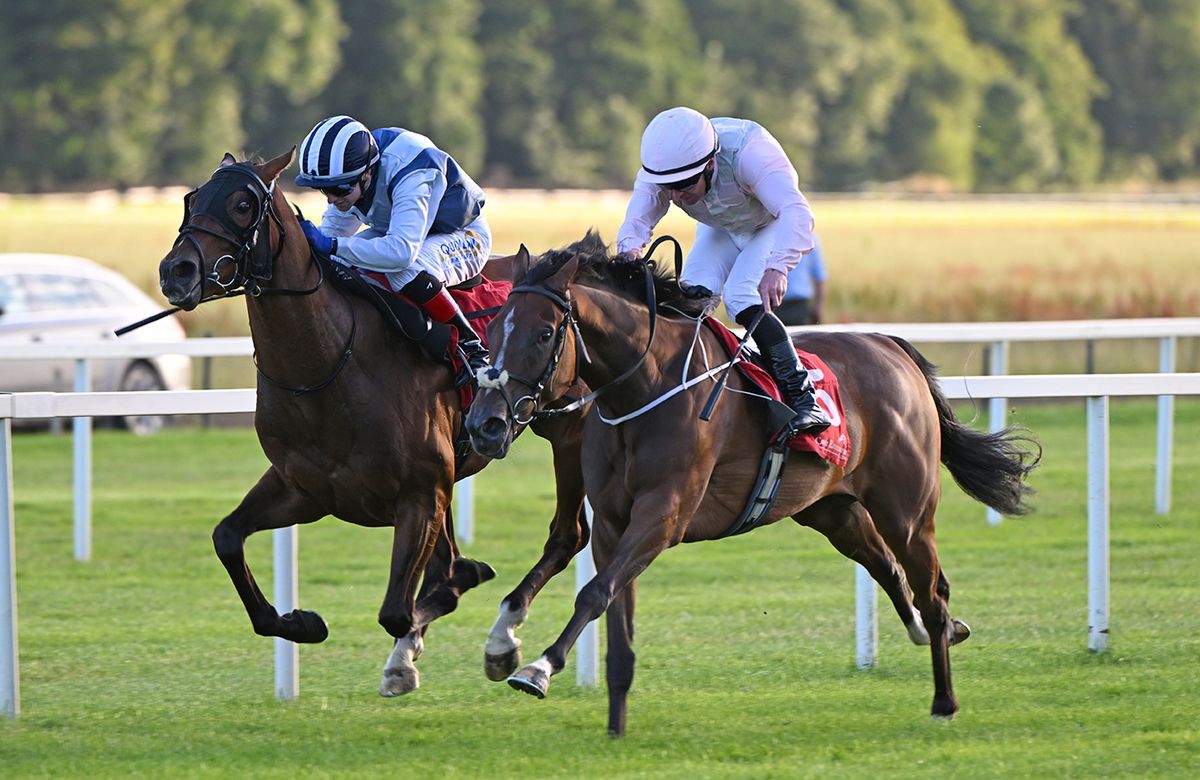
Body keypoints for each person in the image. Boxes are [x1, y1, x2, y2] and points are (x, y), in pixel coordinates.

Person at [615, 106, 830, 433]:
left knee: (740, 296)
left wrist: (778, 267)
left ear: (711, 163)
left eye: (684, 184)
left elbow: (796, 212)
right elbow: (637, 220)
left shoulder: (751, 156)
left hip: (769, 224)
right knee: (690, 298)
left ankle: (804, 400)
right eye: (668, 186)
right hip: (722, 227)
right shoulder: (663, 168)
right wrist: (629, 251)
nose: (676, 195)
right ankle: (680, 393)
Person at [294, 115, 492, 381]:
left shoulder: (411, 168)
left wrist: (331, 245)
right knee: (337, 263)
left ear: (367, 174)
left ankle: (471, 347)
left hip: (463, 234)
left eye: (339, 189)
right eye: (323, 190)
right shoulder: (354, 175)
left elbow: (401, 252)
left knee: (406, 269)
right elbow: (330, 241)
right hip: (405, 231)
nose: (331, 199)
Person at [775, 235, 827, 326]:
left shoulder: (810, 239)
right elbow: (819, 276)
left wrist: (818, 307)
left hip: (799, 305)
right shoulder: (810, 238)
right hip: (776, 304)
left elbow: (819, 277)